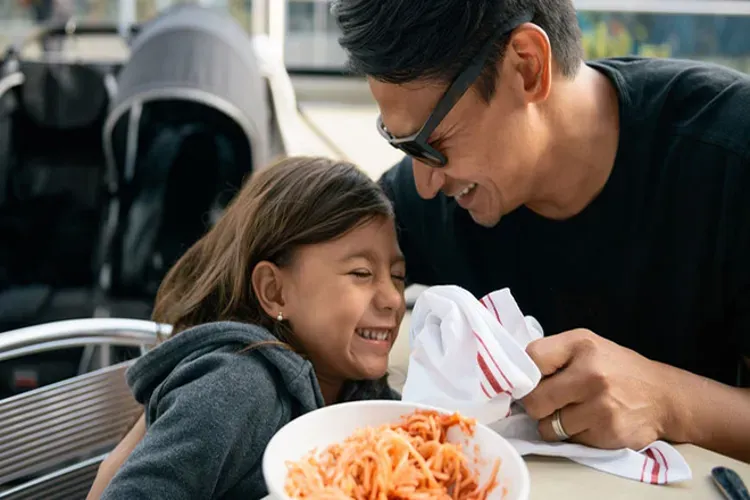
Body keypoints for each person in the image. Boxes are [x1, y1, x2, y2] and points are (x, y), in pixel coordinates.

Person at [333, 0, 750, 461]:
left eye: (430, 144)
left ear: (526, 67)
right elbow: (305, 262)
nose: (425, 184)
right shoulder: (441, 198)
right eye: (398, 142)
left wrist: (674, 402)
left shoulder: (729, 155)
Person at [93, 156, 406, 499]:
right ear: (274, 291)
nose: (393, 298)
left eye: (398, 277)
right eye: (361, 273)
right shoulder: (237, 388)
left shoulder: (365, 395)